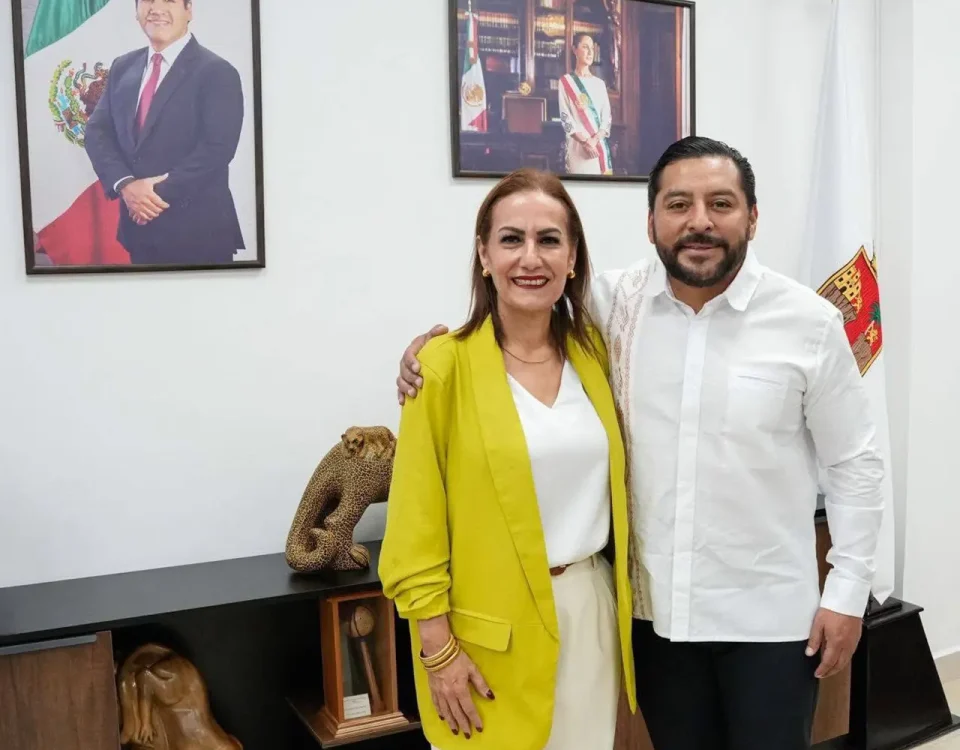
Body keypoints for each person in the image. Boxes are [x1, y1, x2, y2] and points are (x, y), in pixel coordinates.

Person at [394, 136, 885, 750]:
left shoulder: (808, 323)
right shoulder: (613, 309)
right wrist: (429, 356)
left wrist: (848, 593)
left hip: (770, 622)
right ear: (651, 221)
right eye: (678, 204)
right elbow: (521, 308)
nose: (699, 221)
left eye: (721, 203)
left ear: (753, 217)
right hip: (656, 623)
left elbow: (855, 463)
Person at [378, 168, 637, 750]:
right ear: (484, 254)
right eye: (511, 239)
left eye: (549, 240)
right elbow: (415, 522)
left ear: (573, 257)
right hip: (484, 635)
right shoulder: (441, 367)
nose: (530, 258)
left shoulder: (594, 354)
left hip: (589, 613)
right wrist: (437, 648)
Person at [84, 0, 245, 265]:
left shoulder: (217, 72)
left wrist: (148, 196)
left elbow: (217, 149)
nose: (156, 8)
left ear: (188, 9)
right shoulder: (123, 67)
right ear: (136, 10)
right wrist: (125, 185)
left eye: (169, 0)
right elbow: (97, 132)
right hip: (138, 233)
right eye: (148, 0)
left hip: (198, 234)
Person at [558, 34, 613, 176]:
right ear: (574, 50)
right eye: (585, 47)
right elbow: (566, 118)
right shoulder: (566, 82)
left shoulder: (600, 84)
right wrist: (585, 142)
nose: (590, 52)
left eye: (592, 49)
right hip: (578, 148)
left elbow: (606, 118)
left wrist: (594, 140)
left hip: (598, 146)